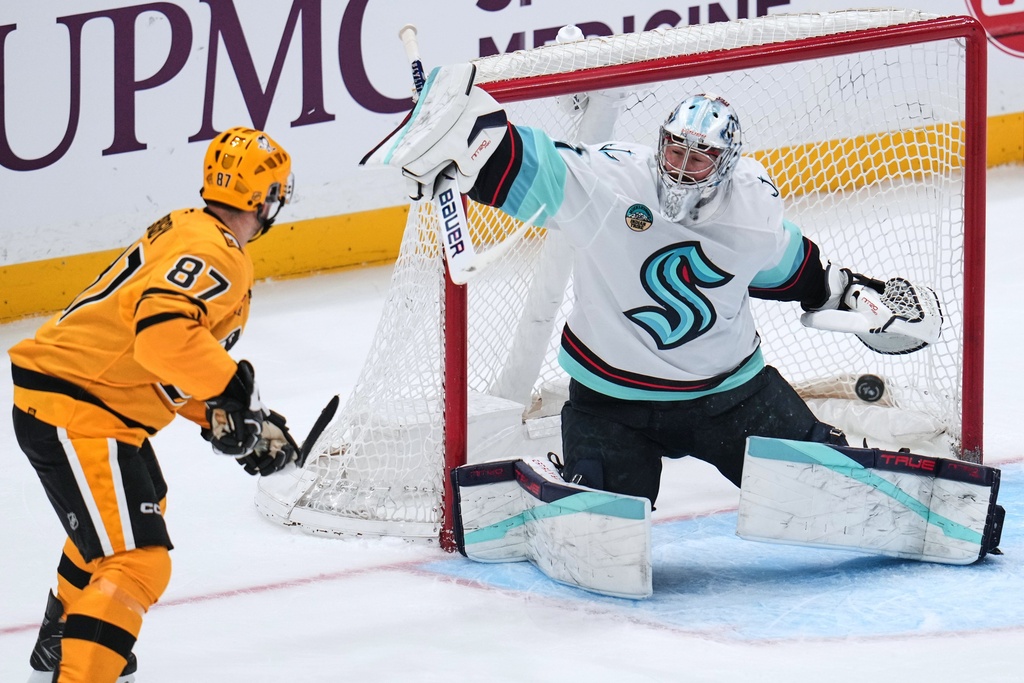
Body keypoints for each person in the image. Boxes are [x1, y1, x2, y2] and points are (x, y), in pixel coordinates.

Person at [382, 64, 875, 507]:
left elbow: (792, 269)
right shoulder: (612, 182)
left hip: (729, 397)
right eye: (675, 150)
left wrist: (848, 293)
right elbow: (532, 166)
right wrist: (473, 144)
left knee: (830, 491)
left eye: (698, 159)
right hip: (611, 403)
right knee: (601, 520)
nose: (681, 167)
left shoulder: (752, 210)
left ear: (726, 165)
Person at [11, 126, 300, 683]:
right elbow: (161, 337)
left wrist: (223, 414)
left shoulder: (191, 228)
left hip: (89, 400)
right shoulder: (214, 252)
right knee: (136, 559)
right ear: (265, 198)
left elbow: (164, 361)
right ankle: (80, 669)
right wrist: (233, 391)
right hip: (76, 406)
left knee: (137, 512)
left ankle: (62, 647)